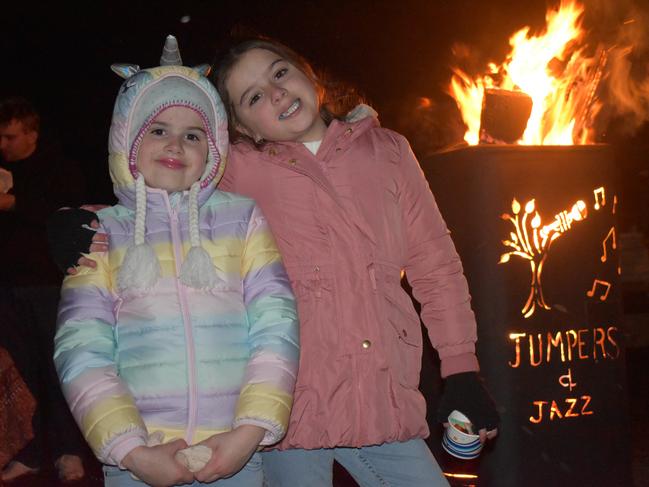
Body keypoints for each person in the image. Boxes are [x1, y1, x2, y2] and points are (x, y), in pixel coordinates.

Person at [50, 36, 499, 487]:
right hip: (288, 407)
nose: (276, 93)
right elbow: (164, 186)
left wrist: (460, 367)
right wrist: (81, 221)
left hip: (379, 394)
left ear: (309, 73)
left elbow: (434, 263)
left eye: (279, 72)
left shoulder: (388, 151)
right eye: (254, 97)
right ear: (244, 130)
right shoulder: (241, 168)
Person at [53, 36, 299, 487]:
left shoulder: (242, 219)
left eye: (193, 134)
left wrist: (250, 431)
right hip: (141, 460)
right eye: (158, 129)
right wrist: (130, 450)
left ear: (214, 149)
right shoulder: (100, 232)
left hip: (233, 453)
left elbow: (276, 323)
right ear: (127, 138)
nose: (176, 145)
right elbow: (81, 346)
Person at [0, 96, 88, 482]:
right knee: (21, 375)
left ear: (32, 133)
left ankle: (70, 450)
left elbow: (66, 215)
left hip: (48, 286)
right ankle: (31, 450)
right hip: (7, 288)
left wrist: (11, 203)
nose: (3, 145)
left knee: (59, 370)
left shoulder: (58, 168)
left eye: (10, 137)